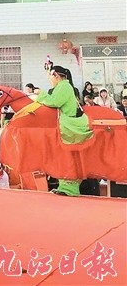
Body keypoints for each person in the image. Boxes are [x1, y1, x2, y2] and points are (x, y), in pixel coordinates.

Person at [35, 64, 93, 197]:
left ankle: (69, 188)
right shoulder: (61, 86)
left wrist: (41, 93)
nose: (50, 79)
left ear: (56, 75)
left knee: (66, 156)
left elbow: (54, 102)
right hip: (64, 124)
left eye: (50, 76)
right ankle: (63, 186)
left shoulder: (65, 86)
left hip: (68, 125)